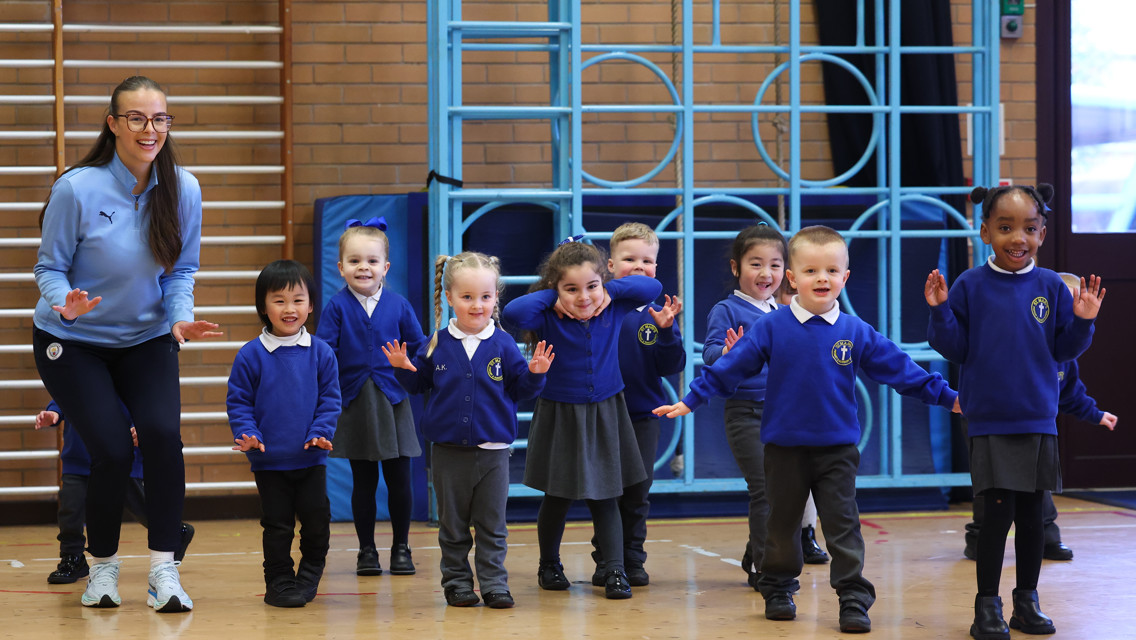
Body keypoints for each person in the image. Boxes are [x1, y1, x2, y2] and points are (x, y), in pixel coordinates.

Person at [657, 225, 960, 633]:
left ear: (845, 278)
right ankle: (779, 587)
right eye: (812, 271)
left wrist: (949, 397)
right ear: (792, 279)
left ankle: (853, 596)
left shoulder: (855, 331)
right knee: (781, 523)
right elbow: (729, 367)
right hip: (783, 449)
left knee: (842, 525)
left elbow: (903, 371)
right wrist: (691, 399)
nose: (823, 279)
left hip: (837, 449)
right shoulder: (772, 327)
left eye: (832, 271)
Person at [32, 75, 220, 612]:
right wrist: (65, 299)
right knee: (112, 449)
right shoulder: (76, 188)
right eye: (136, 118)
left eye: (159, 118)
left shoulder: (184, 188)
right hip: (71, 339)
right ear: (113, 125)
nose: (150, 129)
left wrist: (180, 320)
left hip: (145, 335)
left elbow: (180, 272)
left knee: (163, 436)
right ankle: (102, 569)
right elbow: (49, 266)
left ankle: (165, 571)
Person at [925, 184, 1105, 640]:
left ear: (1042, 233)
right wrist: (941, 311)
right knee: (995, 516)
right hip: (989, 420)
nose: (1017, 237)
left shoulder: (1050, 286)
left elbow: (1063, 350)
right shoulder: (969, 284)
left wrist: (1083, 320)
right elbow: (955, 348)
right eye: (1005, 227)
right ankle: (987, 606)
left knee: (1031, 518)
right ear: (985, 231)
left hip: (1037, 419)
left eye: (1028, 228)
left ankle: (1027, 602)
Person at [384, 252, 553, 609]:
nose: (478, 305)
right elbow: (418, 386)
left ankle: (493, 584)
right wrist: (403, 368)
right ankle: (457, 583)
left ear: (496, 298)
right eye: (467, 297)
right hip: (447, 453)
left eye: (486, 297)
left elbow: (521, 391)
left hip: (494, 454)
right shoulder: (436, 343)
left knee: (492, 526)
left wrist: (536, 374)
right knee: (453, 526)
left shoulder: (505, 344)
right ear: (449, 298)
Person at [502, 238, 662, 599]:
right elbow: (513, 312)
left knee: (606, 495)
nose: (584, 297)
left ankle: (615, 569)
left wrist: (608, 289)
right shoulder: (547, 313)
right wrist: (552, 296)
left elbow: (652, 286)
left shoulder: (613, 305)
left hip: (606, 411)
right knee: (557, 496)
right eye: (571, 288)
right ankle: (549, 564)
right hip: (561, 412)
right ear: (556, 288)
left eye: (591, 286)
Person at [962, 272, 1118, 563]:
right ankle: (978, 535)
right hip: (989, 417)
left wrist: (1096, 414)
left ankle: (1046, 536)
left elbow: (1071, 394)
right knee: (992, 489)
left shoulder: (1065, 357)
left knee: (1037, 486)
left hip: (1033, 425)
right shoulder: (1013, 341)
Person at [315, 217, 426, 577]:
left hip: (394, 401)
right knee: (363, 481)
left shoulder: (399, 305)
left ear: (385, 267)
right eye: (355, 261)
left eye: (372, 261)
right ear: (341, 269)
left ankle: (401, 548)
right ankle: (366, 550)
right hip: (355, 402)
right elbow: (324, 352)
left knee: (399, 479)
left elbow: (420, 349)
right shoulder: (335, 307)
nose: (364, 267)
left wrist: (410, 364)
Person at [227, 260, 341, 608]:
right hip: (270, 462)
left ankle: (308, 576)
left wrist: (321, 432)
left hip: (311, 459)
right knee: (277, 527)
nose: (289, 309)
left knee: (317, 522)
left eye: (297, 300)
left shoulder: (322, 353)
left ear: (310, 305)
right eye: (279, 300)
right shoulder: (250, 355)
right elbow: (239, 403)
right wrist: (247, 433)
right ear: (263, 306)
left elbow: (330, 401)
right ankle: (278, 581)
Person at [584, 222, 684, 588]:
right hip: (601, 414)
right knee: (605, 491)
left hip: (643, 416)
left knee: (637, 492)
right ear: (610, 265)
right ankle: (607, 560)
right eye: (630, 259)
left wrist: (669, 332)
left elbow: (673, 365)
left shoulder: (659, 314)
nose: (640, 266)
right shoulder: (597, 309)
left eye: (648, 260)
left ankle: (633, 558)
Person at [35, 402, 195, 584]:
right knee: (70, 507)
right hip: (78, 457)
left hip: (121, 455)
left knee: (139, 505)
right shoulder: (80, 373)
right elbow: (64, 391)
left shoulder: (128, 376)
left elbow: (146, 400)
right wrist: (54, 412)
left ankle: (174, 531)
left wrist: (141, 426)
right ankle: (72, 557)